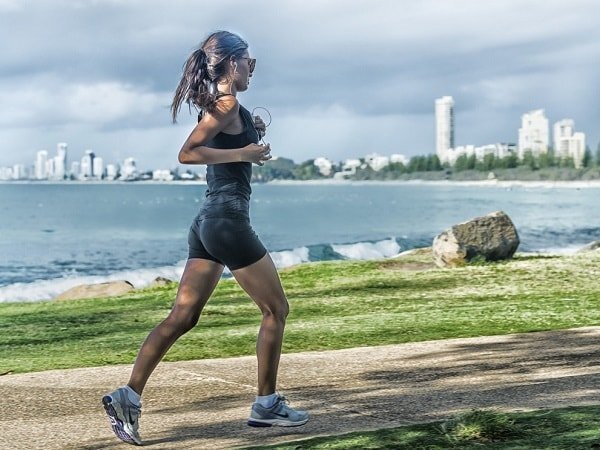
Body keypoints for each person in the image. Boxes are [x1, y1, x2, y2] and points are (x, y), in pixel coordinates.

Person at [101, 30, 309, 446]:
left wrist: (249, 135)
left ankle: (128, 396)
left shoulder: (225, 107)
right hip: (227, 222)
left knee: (184, 316)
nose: (253, 68)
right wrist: (243, 152)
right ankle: (266, 405)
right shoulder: (225, 105)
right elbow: (188, 153)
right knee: (276, 309)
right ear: (232, 63)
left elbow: (221, 143)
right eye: (249, 60)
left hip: (207, 225)